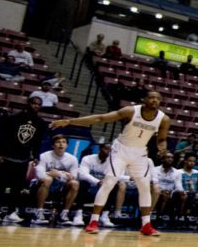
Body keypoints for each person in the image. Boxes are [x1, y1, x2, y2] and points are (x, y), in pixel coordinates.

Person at [49, 91, 171, 236]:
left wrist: (162, 148)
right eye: (151, 97)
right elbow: (100, 118)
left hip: (139, 153)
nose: (154, 100)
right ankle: (93, 221)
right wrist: (69, 122)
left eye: (157, 98)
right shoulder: (131, 111)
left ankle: (146, 225)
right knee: (109, 183)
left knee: (145, 186)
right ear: (144, 99)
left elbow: (162, 139)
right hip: (120, 150)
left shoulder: (163, 119)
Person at [0, 96, 48, 222]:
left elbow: (37, 142)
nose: (36, 106)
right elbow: (1, 137)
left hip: (23, 159)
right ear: (28, 103)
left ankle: (11, 212)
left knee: (17, 188)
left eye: (39, 104)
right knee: (1, 186)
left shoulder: (40, 122)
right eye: (34, 103)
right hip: (7, 157)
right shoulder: (13, 118)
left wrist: (36, 156)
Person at [77, 142, 128, 227]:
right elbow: (82, 174)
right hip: (90, 185)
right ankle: (78, 214)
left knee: (114, 185)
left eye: (111, 150)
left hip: (104, 187)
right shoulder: (88, 159)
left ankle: (104, 215)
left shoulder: (113, 162)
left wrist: (130, 178)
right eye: (106, 149)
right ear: (99, 149)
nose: (109, 151)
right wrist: (97, 181)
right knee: (82, 183)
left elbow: (117, 176)